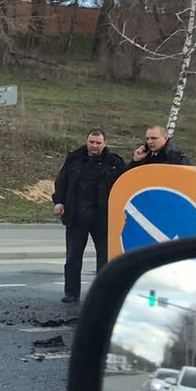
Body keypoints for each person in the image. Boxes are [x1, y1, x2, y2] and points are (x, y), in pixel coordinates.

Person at [52, 128, 127, 304]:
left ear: (105, 143)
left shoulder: (114, 163)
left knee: (104, 258)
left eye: (98, 143)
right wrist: (59, 201)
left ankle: (102, 293)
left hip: (102, 217)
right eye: (91, 142)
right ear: (87, 142)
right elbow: (61, 181)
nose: (94, 146)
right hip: (76, 215)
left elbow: (124, 184)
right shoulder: (74, 159)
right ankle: (71, 293)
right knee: (73, 256)